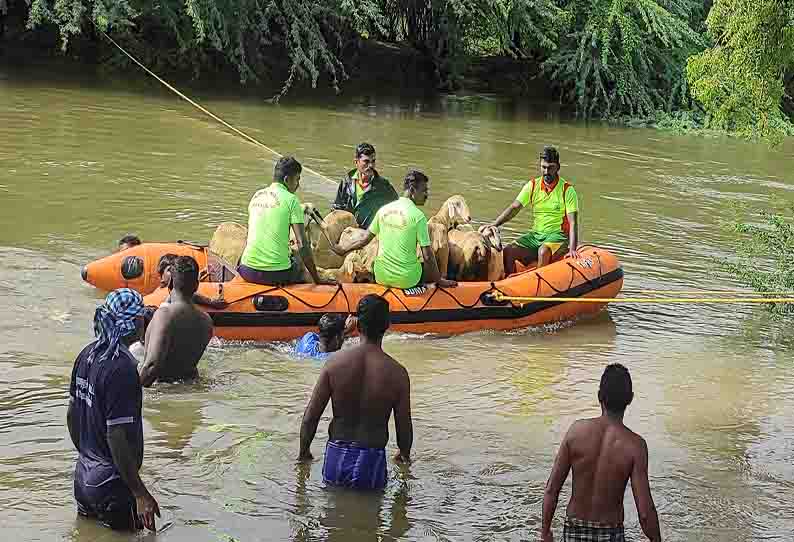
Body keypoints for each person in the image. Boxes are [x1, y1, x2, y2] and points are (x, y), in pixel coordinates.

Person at [67, 288, 160, 532]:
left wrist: (90, 457)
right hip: (112, 486)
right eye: (142, 318)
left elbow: (72, 414)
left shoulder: (86, 354)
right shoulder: (122, 368)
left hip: (83, 479)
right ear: (134, 323)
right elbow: (116, 435)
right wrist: (140, 493)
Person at [298, 294, 412, 490]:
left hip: (336, 457)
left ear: (357, 325)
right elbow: (404, 426)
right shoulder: (397, 373)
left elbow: (311, 416)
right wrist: (404, 455)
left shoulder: (334, 364)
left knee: (331, 515)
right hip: (372, 462)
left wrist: (304, 453)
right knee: (371, 517)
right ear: (387, 326)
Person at [541, 364, 661, 542]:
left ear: (599, 396)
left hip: (575, 529)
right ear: (630, 399)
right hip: (610, 533)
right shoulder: (635, 446)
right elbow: (645, 512)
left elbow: (552, 489)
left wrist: (545, 532)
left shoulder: (576, 431)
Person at [331, 170, 457, 289]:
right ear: (412, 190)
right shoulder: (418, 216)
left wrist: (343, 249)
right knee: (425, 265)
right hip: (407, 280)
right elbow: (428, 256)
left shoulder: (383, 210)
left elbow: (364, 239)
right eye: (424, 190)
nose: (426, 195)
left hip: (381, 276)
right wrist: (439, 280)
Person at [480, 146, 580, 274]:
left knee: (543, 252)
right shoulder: (532, 185)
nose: (546, 172)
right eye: (543, 167)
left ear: (558, 167)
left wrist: (572, 249)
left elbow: (573, 223)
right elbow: (515, 207)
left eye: (550, 168)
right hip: (536, 235)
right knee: (508, 251)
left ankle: (540, 288)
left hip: (558, 237)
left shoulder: (568, 190)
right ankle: (510, 284)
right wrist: (495, 224)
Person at [238, 156, 333, 286]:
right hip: (275, 274)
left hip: (246, 271)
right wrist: (317, 279)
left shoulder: (257, 195)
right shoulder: (292, 200)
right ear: (287, 180)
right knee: (298, 261)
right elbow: (302, 244)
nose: (298, 185)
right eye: (297, 179)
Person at [139, 256, 214, 386]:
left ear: (170, 282)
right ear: (196, 285)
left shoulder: (164, 315)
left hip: (163, 393)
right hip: (191, 394)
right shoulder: (206, 321)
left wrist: (131, 393)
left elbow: (151, 366)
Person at [332, 142, 399, 228]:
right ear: (356, 162)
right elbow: (336, 209)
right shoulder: (346, 182)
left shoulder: (383, 186)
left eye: (373, 161)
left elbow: (397, 210)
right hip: (347, 232)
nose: (371, 165)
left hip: (369, 235)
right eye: (366, 161)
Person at [156, 253, 226, 309]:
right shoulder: (161, 293)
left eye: (176, 269)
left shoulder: (182, 291)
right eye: (169, 270)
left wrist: (211, 302)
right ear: (161, 277)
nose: (175, 272)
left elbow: (187, 294)